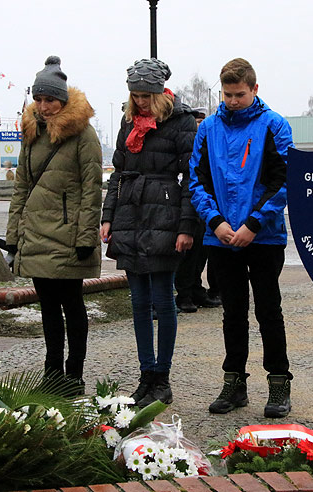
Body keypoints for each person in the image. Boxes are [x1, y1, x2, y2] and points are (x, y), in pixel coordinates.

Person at [189, 58, 293, 418]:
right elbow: (196, 181)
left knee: (268, 310)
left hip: (263, 237)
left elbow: (283, 181)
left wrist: (253, 223)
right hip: (221, 237)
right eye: (228, 94)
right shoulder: (209, 128)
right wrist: (215, 221)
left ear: (255, 89)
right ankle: (234, 383)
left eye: (240, 94)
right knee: (232, 312)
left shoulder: (275, 125)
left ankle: (279, 383)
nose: (233, 100)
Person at [100, 58, 197, 407]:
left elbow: (193, 179)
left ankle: (163, 377)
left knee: (163, 300)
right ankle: (145, 375)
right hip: (130, 214)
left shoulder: (182, 122)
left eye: (145, 95)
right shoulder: (129, 125)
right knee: (139, 302)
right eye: (135, 95)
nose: (140, 102)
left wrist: (186, 225)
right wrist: (107, 216)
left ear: (158, 94)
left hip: (166, 215)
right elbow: (117, 173)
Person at [6, 56, 102, 395]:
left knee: (71, 304)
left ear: (63, 99)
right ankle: (52, 372)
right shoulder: (30, 131)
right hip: (36, 233)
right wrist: (13, 235)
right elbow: (21, 186)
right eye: (39, 99)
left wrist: (86, 235)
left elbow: (92, 188)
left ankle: (73, 375)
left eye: (51, 99)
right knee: (47, 306)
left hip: (69, 235)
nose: (44, 106)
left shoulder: (83, 134)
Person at [174, 107, 222, 313]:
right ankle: (184, 293)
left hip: (207, 203)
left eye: (202, 120)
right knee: (188, 252)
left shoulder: (211, 141)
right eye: (197, 121)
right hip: (188, 202)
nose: (200, 124)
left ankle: (195, 288)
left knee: (202, 251)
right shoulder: (186, 142)